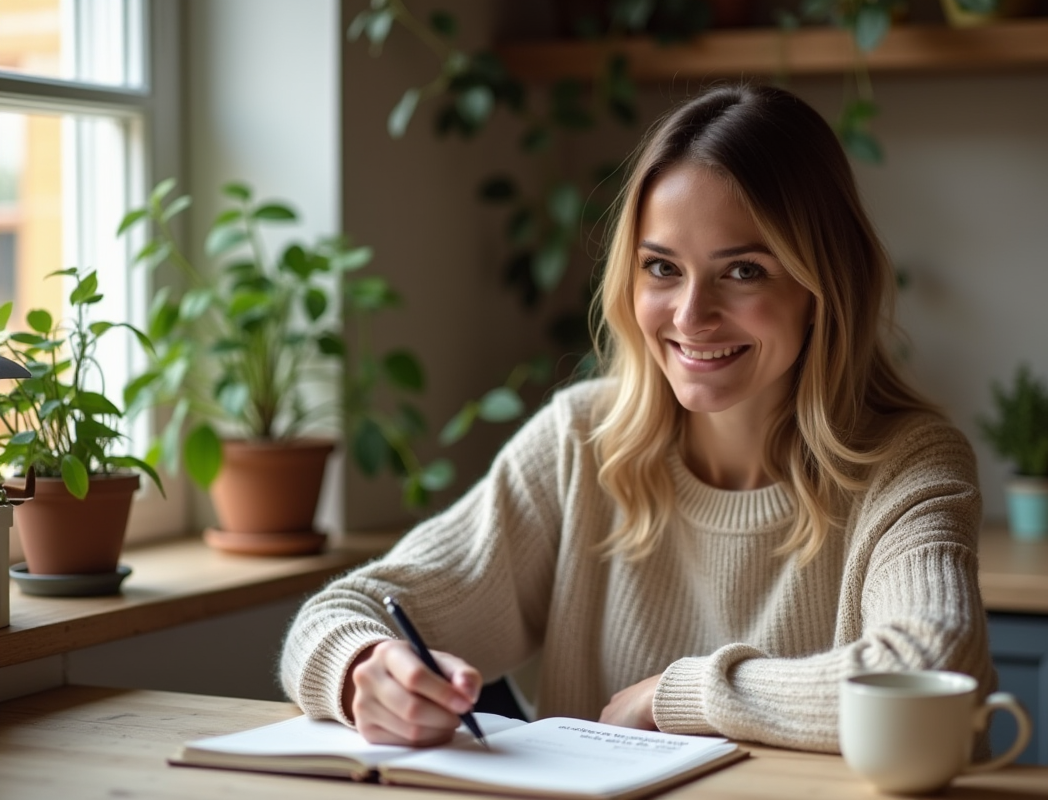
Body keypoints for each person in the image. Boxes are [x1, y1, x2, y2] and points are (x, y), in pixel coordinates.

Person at [280, 83, 995, 752]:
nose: (691, 315)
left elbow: (935, 670)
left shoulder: (907, 462)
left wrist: (680, 695)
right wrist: (365, 670)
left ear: (824, 286)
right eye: (662, 268)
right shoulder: (581, 442)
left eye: (743, 270)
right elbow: (342, 611)